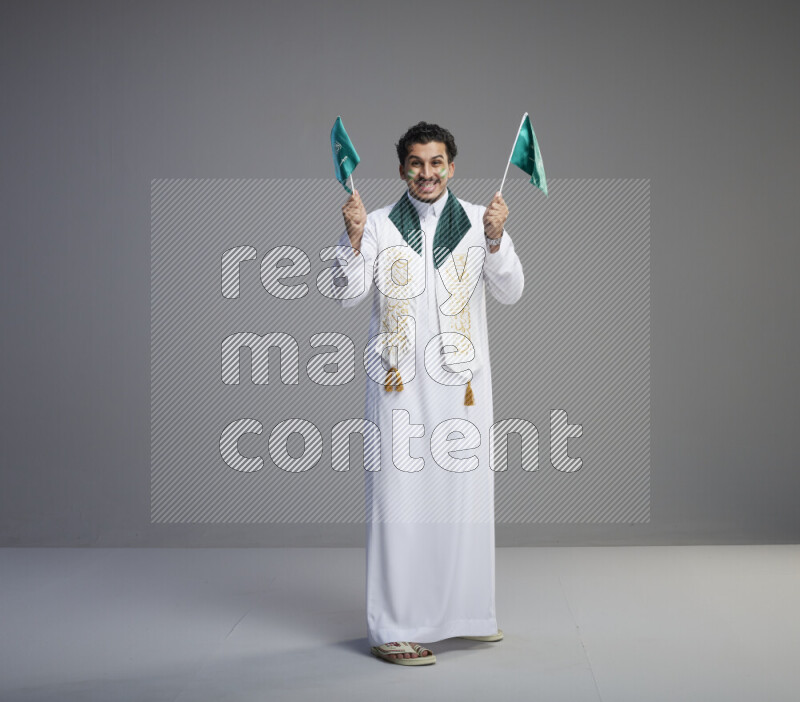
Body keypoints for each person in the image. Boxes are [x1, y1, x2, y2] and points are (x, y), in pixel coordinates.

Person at [334, 122, 524, 665]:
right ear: (402, 170)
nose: (427, 173)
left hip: (463, 388)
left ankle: (466, 614)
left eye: (436, 162)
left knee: (464, 501)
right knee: (399, 504)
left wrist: (496, 239)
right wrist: (350, 243)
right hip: (398, 387)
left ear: (452, 166)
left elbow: (511, 291)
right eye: (416, 163)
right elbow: (345, 296)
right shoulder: (375, 225)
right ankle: (392, 627)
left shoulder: (476, 221)